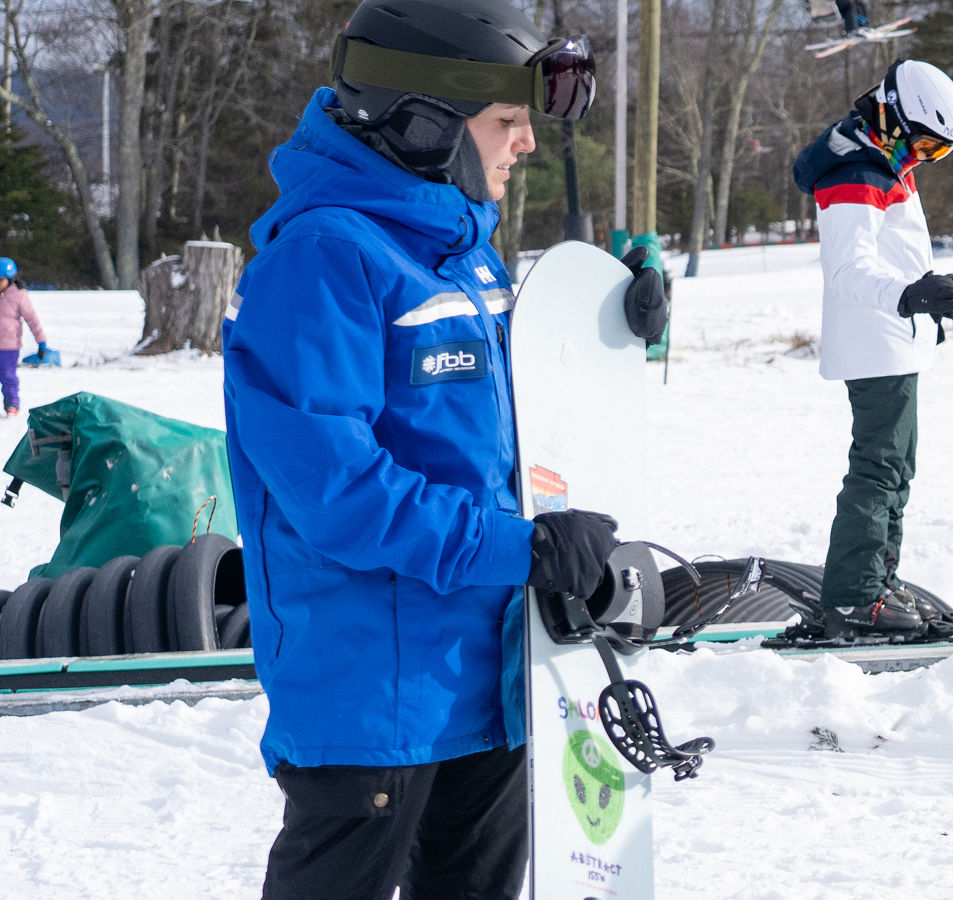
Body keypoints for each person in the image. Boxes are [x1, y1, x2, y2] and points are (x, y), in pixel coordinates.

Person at [220, 0, 657, 895]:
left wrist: (612, 322)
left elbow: (509, 423)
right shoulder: (321, 263)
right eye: (505, 121)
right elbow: (340, 492)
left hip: (490, 684)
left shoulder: (462, 254)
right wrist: (519, 549)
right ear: (418, 121)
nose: (525, 144)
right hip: (373, 704)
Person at [786, 58, 953, 641]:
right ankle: (854, 596)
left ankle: (877, 583)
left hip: (898, 338)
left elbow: (897, 250)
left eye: (936, 152)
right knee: (878, 469)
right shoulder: (856, 170)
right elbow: (848, 269)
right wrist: (911, 294)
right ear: (890, 112)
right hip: (875, 341)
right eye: (922, 143)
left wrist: (933, 291)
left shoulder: (885, 157)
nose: (923, 158)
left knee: (896, 469)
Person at [0, 258, 43, 416]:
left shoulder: (19, 296)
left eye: (1, 280)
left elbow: (32, 319)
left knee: (7, 376)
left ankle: (12, 404)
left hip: (9, 347)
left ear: (10, 279)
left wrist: (41, 342)